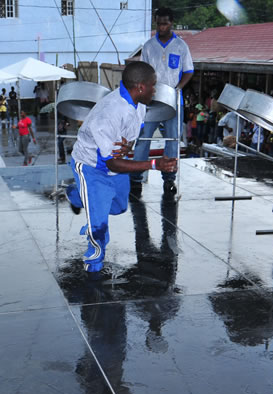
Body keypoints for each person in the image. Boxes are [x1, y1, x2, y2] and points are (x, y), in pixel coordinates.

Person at [65, 61, 177, 277]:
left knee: (118, 207)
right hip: (91, 167)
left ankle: (76, 194)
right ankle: (93, 267)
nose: (156, 90)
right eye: (153, 85)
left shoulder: (140, 104)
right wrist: (155, 164)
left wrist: (129, 146)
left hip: (113, 165)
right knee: (99, 225)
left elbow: (129, 139)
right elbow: (112, 163)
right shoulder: (109, 114)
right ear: (141, 87)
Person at [130, 7, 194, 196]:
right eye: (158, 23)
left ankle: (169, 178)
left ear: (171, 22)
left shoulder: (181, 46)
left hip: (172, 101)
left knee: (172, 140)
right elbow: (142, 70)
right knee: (143, 139)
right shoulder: (149, 46)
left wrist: (178, 88)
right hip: (151, 100)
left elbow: (188, 71)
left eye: (165, 23)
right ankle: (136, 178)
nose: (161, 26)